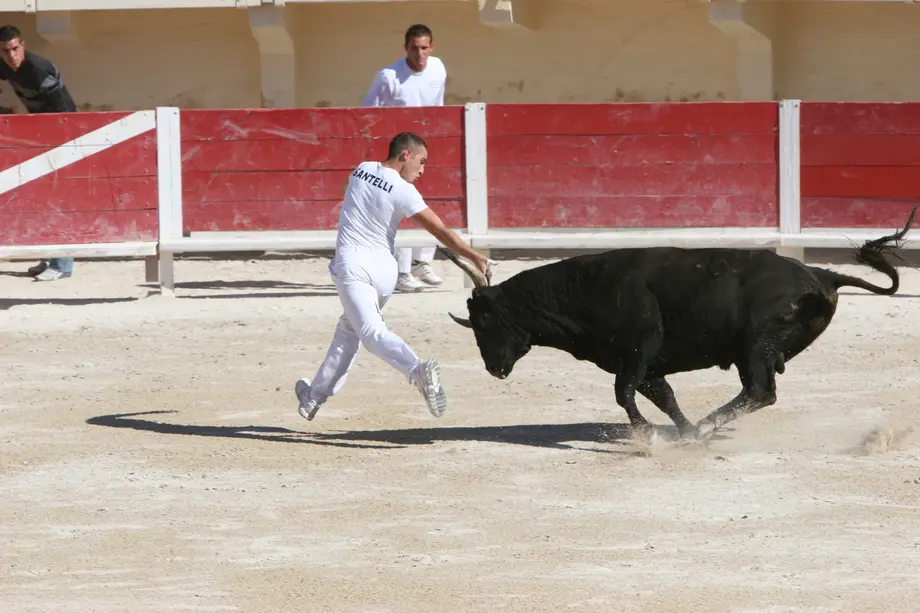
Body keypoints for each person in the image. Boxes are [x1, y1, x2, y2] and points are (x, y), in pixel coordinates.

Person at [294, 131, 490, 421]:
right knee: (350, 329)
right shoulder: (405, 191)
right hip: (385, 271)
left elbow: (345, 189)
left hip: (354, 266)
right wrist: (474, 255)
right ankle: (313, 397)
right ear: (406, 155)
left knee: (370, 332)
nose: (422, 171)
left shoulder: (362, 169)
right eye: (421, 162)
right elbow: (440, 230)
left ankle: (417, 369)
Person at [361, 23, 447, 293]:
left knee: (425, 201)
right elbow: (368, 112)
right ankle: (401, 271)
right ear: (405, 48)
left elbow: (438, 106)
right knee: (400, 205)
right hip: (398, 152)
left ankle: (422, 262)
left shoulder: (438, 68)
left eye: (424, 48)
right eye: (414, 48)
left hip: (424, 145)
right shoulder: (388, 77)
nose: (419, 54)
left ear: (431, 47)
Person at [0, 24, 76, 282]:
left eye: (15, 49)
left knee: (59, 196)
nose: (12, 56)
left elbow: (61, 109)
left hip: (64, 132)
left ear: (23, 46)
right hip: (42, 133)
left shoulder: (38, 69)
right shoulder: (5, 64)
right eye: (6, 51)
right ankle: (51, 257)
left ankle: (63, 265)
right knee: (46, 195)